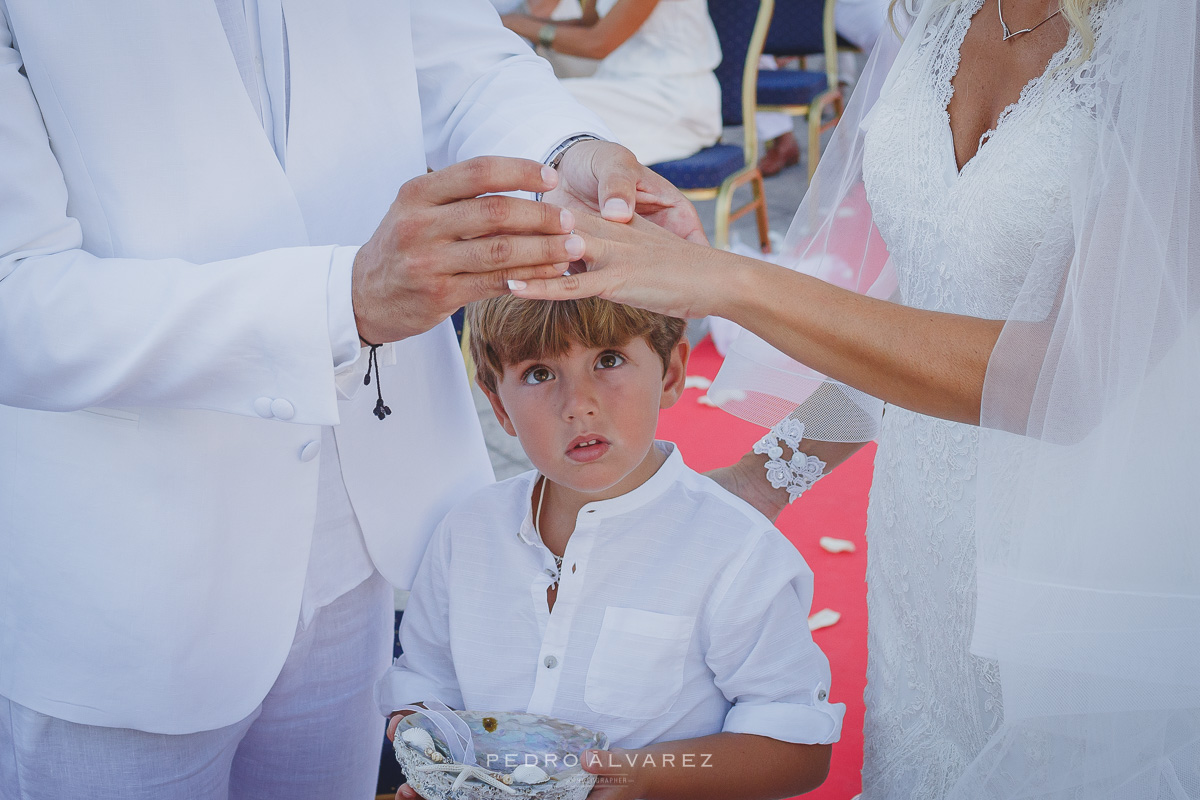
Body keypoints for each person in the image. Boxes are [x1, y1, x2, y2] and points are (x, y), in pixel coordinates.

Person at [0, 2, 705, 797]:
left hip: (364, 539)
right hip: (130, 580)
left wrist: (566, 156)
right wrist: (341, 303)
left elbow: (462, 63)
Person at [507, 0, 1200, 797]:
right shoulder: (939, 18)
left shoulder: (1170, 43)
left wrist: (732, 281)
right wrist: (762, 481)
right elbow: (926, 309)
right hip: (922, 556)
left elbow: (1070, 380)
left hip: (1083, 565)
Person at [378, 295, 842, 799]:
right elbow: (427, 685)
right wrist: (434, 761)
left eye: (609, 360)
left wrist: (645, 777)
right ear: (498, 406)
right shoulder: (465, 533)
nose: (578, 403)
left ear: (670, 374)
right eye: (538, 374)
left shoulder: (737, 552)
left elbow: (800, 752)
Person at [500, 0, 723, 165]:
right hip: (621, 87)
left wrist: (510, 23)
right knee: (519, 100)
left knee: (530, 108)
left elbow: (598, 43)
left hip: (671, 97)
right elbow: (590, 25)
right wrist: (514, 24)